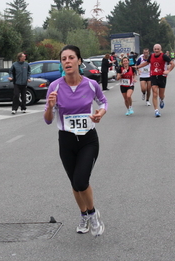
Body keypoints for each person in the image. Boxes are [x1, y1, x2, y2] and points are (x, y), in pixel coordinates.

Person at [44, 45, 107, 237]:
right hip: (66, 140)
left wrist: (100, 113)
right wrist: (50, 106)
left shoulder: (90, 84)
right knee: (74, 183)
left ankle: (93, 214)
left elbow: (103, 101)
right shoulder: (54, 87)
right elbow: (48, 119)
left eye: (71, 58)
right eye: (64, 59)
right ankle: (84, 215)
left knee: (81, 180)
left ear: (79, 61)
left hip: (88, 139)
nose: (67, 61)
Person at [135, 44, 175, 117]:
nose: (156, 50)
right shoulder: (151, 56)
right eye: (155, 49)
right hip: (153, 76)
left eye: (158, 49)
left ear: (160, 49)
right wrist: (138, 66)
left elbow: (172, 64)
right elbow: (147, 62)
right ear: (153, 49)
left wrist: (168, 71)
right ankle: (156, 110)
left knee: (161, 95)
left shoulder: (164, 56)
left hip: (162, 77)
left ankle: (161, 99)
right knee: (154, 93)